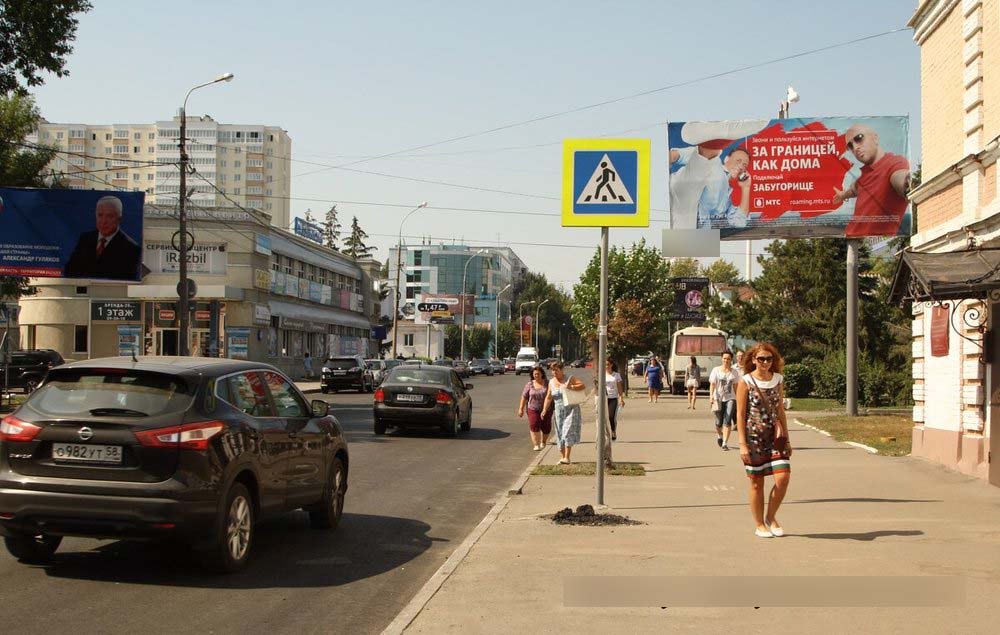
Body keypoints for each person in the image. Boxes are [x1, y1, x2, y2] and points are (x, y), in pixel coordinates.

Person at [735, 342, 792, 538]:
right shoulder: (746, 381)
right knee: (757, 483)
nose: (766, 362)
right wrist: (742, 444)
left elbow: (781, 412)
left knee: (783, 478)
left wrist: (787, 439)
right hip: (754, 439)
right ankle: (759, 524)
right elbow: (740, 415)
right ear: (753, 360)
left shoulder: (778, 379)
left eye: (769, 359)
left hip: (775, 437)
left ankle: (771, 516)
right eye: (761, 359)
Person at [669, 120, 767, 229]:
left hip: (694, 230)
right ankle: (714, 141)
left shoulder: (726, 198)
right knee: (709, 162)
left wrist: (746, 188)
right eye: (738, 161)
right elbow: (675, 156)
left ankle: (715, 140)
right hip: (682, 191)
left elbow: (739, 222)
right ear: (726, 159)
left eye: (745, 164)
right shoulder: (716, 166)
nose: (741, 166)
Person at [833, 123, 911, 238]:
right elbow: (854, 189)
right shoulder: (864, 176)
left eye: (859, 138)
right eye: (850, 146)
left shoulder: (895, 163)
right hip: (850, 242)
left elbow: (902, 179)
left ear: (875, 138)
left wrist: (908, 184)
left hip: (870, 246)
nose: (855, 148)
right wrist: (842, 195)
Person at [64, 195, 140, 280]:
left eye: (109, 216)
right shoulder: (85, 239)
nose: (104, 221)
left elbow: (126, 278)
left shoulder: (131, 248)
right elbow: (69, 270)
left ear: (119, 218)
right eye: (100, 215)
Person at [541, 360, 586, 464]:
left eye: (556, 370)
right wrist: (544, 409)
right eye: (552, 371)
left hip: (571, 409)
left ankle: (567, 457)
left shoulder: (569, 378)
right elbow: (548, 397)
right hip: (558, 411)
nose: (554, 373)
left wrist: (572, 387)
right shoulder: (551, 382)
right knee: (560, 433)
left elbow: (583, 386)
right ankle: (563, 457)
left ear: (562, 370)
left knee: (567, 431)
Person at [709, 351, 739, 450]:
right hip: (718, 398)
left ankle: (725, 443)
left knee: (727, 419)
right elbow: (712, 384)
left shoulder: (734, 372)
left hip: (731, 398)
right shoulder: (716, 370)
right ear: (722, 359)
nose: (726, 360)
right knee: (718, 422)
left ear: (731, 360)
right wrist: (711, 397)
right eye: (724, 358)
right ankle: (720, 435)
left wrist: (738, 399)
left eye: (728, 359)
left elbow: (736, 386)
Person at [518, 366, 551, 451]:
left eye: (538, 374)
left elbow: (551, 395)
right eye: (535, 374)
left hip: (547, 408)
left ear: (542, 374)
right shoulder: (529, 384)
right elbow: (524, 397)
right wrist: (521, 409)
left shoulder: (548, 383)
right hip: (533, 408)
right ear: (532, 375)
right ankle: (536, 444)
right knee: (534, 425)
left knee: (546, 427)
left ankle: (543, 441)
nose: (536, 375)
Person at [604, 360, 625, 441]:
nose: (606, 366)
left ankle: (613, 430)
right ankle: (605, 433)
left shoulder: (616, 375)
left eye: (608, 364)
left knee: (611, 416)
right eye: (605, 364)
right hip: (604, 398)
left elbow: (619, 387)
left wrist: (621, 398)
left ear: (612, 365)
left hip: (613, 398)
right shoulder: (602, 375)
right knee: (603, 418)